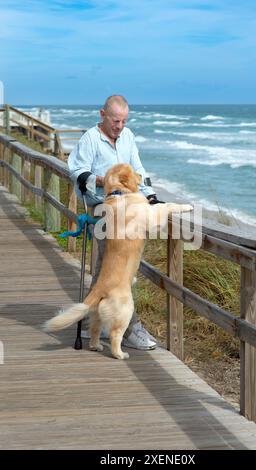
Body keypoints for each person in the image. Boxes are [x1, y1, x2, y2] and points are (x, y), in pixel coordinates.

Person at [68, 95, 163, 350]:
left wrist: (151, 196)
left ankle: (95, 323)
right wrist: (104, 181)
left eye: (123, 121)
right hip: (102, 206)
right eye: (115, 120)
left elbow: (138, 170)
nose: (119, 126)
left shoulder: (128, 136)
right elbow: (76, 170)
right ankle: (130, 329)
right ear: (102, 114)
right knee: (121, 270)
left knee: (106, 269)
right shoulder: (90, 138)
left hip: (128, 206)